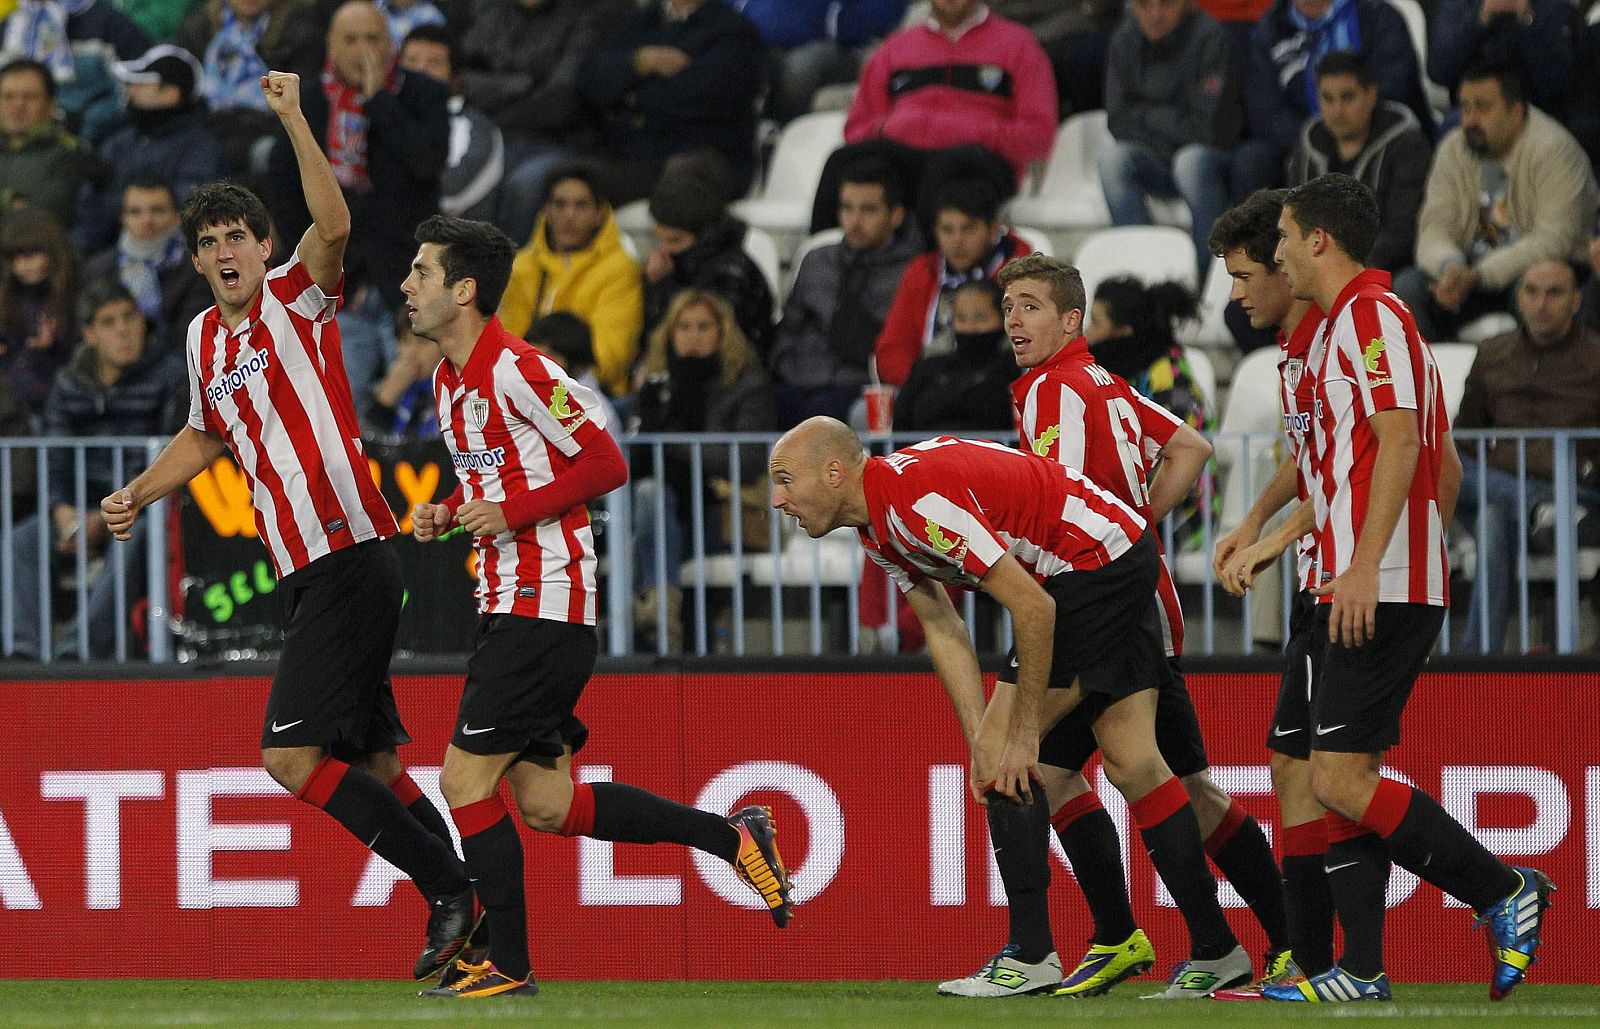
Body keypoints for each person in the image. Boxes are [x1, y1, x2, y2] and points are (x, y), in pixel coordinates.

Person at [99, 70, 477, 984]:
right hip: (307, 567)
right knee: (375, 759)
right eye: (210, 242)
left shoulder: (293, 297)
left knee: (289, 755)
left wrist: (293, 115)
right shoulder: (200, 340)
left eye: (238, 236)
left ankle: (452, 890)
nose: (226, 251)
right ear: (193, 261)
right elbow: (203, 433)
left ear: (265, 246)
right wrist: (141, 492)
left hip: (349, 548)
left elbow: (337, 225)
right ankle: (477, 910)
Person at [402, 216, 793, 999]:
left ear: (464, 289)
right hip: (507, 600)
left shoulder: (518, 369)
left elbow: (607, 460)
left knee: (463, 782)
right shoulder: (449, 381)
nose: (407, 285)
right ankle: (730, 835)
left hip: (545, 604)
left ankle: (508, 965)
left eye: (422, 271)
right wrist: (452, 506)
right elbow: (502, 477)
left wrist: (512, 513)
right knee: (548, 805)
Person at [771, 420, 1249, 999]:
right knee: (1128, 761)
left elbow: (1034, 609)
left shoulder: (913, 503)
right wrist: (979, 737)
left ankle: (1031, 955)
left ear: (833, 472)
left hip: (1095, 567)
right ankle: (1208, 947)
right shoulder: (879, 525)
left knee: (1017, 757)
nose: (778, 499)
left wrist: (1015, 739)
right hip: (1106, 559)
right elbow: (943, 627)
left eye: (785, 480)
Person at [1259, 171, 1551, 1002]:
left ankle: (1503, 890)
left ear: (1319, 238)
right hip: (1373, 577)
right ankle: (1360, 970)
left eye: (1284, 234)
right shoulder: (1354, 325)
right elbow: (1442, 463)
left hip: (1374, 583)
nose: (1278, 251)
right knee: (1333, 773)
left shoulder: (1374, 319)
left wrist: (1374, 563)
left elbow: (1397, 442)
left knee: (1341, 778)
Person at [996, 254, 1290, 999]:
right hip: (1135, 591)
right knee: (1092, 775)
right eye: (1008, 305)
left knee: (1123, 767)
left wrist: (1090, 544)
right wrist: (1137, 525)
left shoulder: (1054, 389)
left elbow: (1055, 500)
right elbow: (1191, 448)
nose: (1012, 319)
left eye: (1030, 305)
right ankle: (1264, 938)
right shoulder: (1104, 382)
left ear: (1070, 320)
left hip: (1094, 597)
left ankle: (1213, 942)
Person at [1207, 187, 1337, 994]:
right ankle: (1309, 955)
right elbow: (1304, 457)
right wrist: (1250, 514)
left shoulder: (1329, 342)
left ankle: (1318, 956)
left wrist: (1266, 540)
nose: (1239, 290)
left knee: (1322, 769)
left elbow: (1341, 471)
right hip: (1314, 578)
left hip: (1347, 578)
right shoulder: (1294, 352)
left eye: (1251, 272)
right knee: (1294, 766)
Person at [264, 0, 449, 415]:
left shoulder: (424, 94)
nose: (362, 50)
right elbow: (284, 185)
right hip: (340, 284)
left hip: (407, 274)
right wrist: (317, 257)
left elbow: (425, 165)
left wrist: (378, 100)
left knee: (428, 401)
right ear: (330, 45)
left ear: (390, 44)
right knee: (340, 409)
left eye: (373, 39)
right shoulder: (308, 101)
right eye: (351, 40)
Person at [1452, 257, 1600, 652]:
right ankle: (1532, 506)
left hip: (1576, 496)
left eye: (1554, 293)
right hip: (1507, 487)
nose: (1542, 303)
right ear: (1518, 298)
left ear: (1575, 301)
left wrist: (1584, 471)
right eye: (1532, 292)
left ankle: (1478, 655)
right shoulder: (1492, 353)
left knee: (1494, 514)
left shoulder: (1596, 358)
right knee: (1439, 460)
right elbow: (1465, 439)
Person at [811, 0, 1056, 235]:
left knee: (945, 171)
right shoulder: (895, 47)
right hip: (907, 153)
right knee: (841, 161)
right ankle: (822, 263)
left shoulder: (1020, 45)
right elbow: (856, 128)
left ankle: (928, 274)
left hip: (980, 160)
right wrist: (892, 126)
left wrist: (970, 130)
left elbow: (1038, 134)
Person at [1395, 60, 1597, 343]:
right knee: (1409, 288)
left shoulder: (1555, 151)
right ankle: (1435, 379)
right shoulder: (1453, 149)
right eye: (1465, 108)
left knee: (1537, 291)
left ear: (1516, 111)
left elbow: (1554, 240)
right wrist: (1450, 268)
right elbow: (1434, 228)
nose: (1470, 120)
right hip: (1468, 276)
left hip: (1533, 271)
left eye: (1483, 107)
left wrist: (1480, 275)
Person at [629, 288, 775, 650]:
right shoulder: (657, 390)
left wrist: (671, 444)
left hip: (721, 514)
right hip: (666, 516)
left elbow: (748, 460)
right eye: (684, 327)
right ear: (670, 333)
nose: (693, 337)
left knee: (645, 521)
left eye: (704, 327)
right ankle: (661, 615)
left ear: (724, 333)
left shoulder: (748, 388)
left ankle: (638, 624)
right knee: (649, 497)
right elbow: (631, 456)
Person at [456, 0, 629, 245]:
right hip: (493, 133)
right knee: (458, 173)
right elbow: (464, 79)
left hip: (562, 142)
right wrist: (523, 84)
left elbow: (562, 100)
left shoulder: (590, 14)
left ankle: (510, 275)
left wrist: (497, 102)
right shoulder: (493, 10)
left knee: (523, 186)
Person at [771, 157, 920, 426]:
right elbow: (789, 329)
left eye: (868, 210)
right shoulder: (816, 260)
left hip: (858, 388)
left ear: (895, 215)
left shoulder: (911, 271)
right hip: (798, 384)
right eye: (847, 208)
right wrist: (788, 369)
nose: (855, 220)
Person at [576, 0, 766, 206]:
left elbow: (701, 98)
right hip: (633, 154)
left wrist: (631, 96)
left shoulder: (734, 30)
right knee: (566, 179)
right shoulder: (641, 20)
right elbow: (591, 81)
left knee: (681, 179)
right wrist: (642, 61)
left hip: (707, 154)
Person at [1100, 0, 1243, 273]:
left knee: (1189, 162)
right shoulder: (1125, 38)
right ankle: (1146, 272)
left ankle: (1207, 275)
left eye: (1166, 4)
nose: (1155, 14)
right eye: (1144, 5)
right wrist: (1171, 119)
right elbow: (1117, 120)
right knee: (1112, 161)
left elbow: (1208, 128)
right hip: (1155, 158)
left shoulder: (1211, 37)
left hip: (1211, 158)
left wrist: (1143, 111)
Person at [1241, 0, 1434, 196]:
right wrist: (1316, 138)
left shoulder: (1376, 15)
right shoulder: (1270, 28)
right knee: (1252, 159)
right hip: (1301, 139)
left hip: (1373, 134)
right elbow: (1264, 107)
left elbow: (1395, 87)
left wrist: (1346, 130)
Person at [1084, 276, 1219, 551]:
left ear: (1124, 331)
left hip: (1182, 512)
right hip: (1130, 505)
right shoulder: (1119, 370)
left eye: (1096, 322)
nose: (1086, 333)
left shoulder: (1169, 379)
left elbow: (1171, 463)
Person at [499, 165, 642, 396]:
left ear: (599, 214)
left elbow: (610, 360)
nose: (569, 215)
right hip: (524, 392)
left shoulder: (619, 269)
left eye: (580, 205)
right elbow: (506, 346)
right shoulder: (522, 267)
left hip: (595, 397)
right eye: (560, 204)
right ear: (545, 210)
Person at [1285, 50, 1432, 274]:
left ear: (1371, 95)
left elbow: (1402, 232)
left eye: (1347, 97)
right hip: (1317, 270)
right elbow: (1293, 220)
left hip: (1382, 271)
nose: (1337, 111)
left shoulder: (1407, 146)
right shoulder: (1308, 143)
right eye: (1327, 98)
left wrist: (1342, 268)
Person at [874, 179, 1029, 386]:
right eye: (947, 230)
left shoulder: (1023, 271)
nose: (957, 240)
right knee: (860, 411)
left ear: (993, 229)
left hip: (999, 387)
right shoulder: (922, 271)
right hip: (929, 385)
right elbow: (892, 352)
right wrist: (930, 381)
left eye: (968, 229)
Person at [77, 43, 222, 251]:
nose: (130, 90)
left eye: (141, 83)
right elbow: (89, 225)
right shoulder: (118, 142)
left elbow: (189, 210)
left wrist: (110, 190)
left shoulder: (200, 148)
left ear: (172, 92)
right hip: (112, 257)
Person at [179, 0, 322, 179]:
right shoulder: (199, 28)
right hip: (209, 127)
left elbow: (304, 99)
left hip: (269, 129)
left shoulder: (298, 30)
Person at [642, 171, 772, 360]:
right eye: (659, 240)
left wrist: (664, 285)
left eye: (674, 241)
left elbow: (714, 339)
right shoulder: (670, 267)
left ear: (705, 235)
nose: (664, 251)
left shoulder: (734, 273)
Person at [84, 178, 213, 355]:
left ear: (176, 216)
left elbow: (193, 340)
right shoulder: (98, 269)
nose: (146, 220)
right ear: (123, 218)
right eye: (135, 212)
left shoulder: (197, 268)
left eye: (157, 210)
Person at [734, 0, 906, 123]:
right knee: (733, 58)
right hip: (763, 40)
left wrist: (835, 20)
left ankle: (784, 140)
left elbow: (886, 11)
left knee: (799, 69)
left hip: (839, 46)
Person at [398, 24, 504, 222]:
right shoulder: (378, 116)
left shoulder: (476, 128)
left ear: (455, 77)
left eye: (434, 63)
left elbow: (454, 191)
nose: (420, 70)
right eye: (411, 61)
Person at [895, 280, 1015, 432]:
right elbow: (900, 423)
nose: (970, 328)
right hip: (928, 453)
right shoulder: (928, 367)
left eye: (980, 318)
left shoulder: (1013, 369)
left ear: (1003, 320)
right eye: (961, 318)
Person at [1427, 0, 1577, 119]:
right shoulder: (1459, 5)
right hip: (1470, 112)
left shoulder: (1555, 7)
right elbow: (1438, 72)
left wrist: (1527, 20)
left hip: (1533, 112)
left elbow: (1558, 84)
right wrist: (1479, 21)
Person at [0, 57, 98, 228]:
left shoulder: (70, 153)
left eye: (29, 97)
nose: (17, 105)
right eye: (8, 97)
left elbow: (40, 214)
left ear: (51, 105)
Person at [0, 206, 78, 417]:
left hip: (66, 405)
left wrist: (47, 352)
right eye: (16, 258)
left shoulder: (76, 294)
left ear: (53, 251)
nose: (23, 266)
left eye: (30, 255)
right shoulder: (8, 299)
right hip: (15, 409)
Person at [526, 311, 620, 441]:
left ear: (578, 364)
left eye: (549, 356)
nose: (538, 364)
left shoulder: (596, 413)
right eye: (532, 355)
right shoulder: (523, 397)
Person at [363, 308, 439, 439]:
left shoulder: (454, 393)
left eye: (422, 343)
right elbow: (366, 448)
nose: (411, 353)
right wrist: (384, 402)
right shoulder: (384, 390)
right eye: (406, 341)